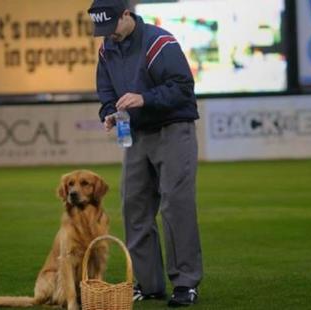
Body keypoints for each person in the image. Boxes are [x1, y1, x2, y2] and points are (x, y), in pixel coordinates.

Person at [87, 0, 203, 307]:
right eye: (102, 29)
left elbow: (183, 88)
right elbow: (106, 93)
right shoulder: (106, 48)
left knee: (175, 206)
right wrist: (109, 113)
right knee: (133, 207)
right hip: (137, 134)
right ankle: (149, 284)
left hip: (173, 130)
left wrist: (144, 98)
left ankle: (185, 283)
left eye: (111, 27)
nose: (107, 34)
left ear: (127, 15)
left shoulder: (158, 42)